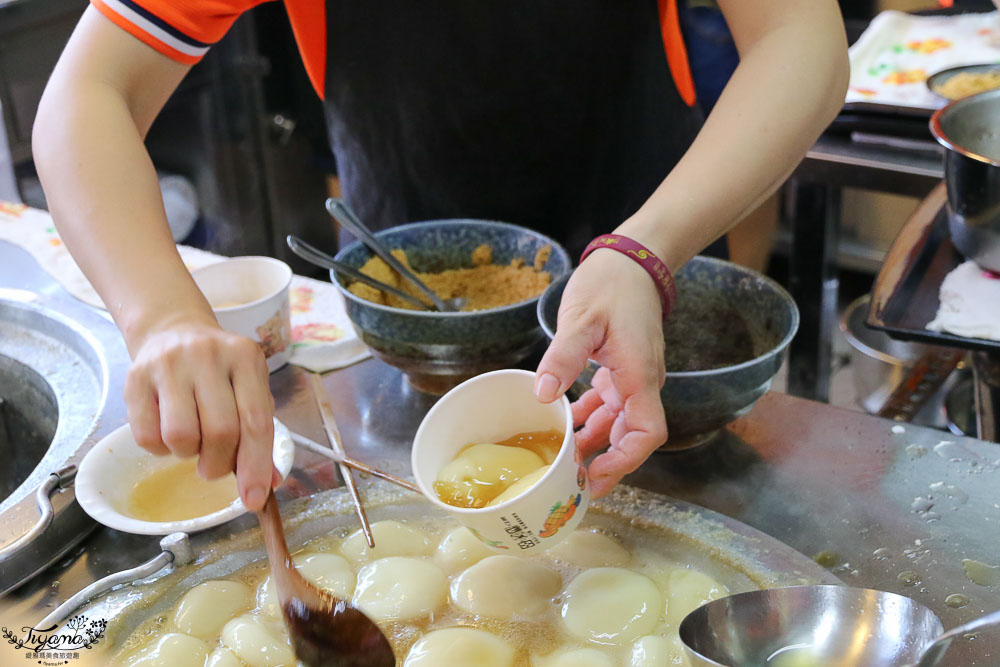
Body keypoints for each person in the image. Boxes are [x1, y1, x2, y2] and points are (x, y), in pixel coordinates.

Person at [32, 1, 848, 511]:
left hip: (637, 310)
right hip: (403, 335)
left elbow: (801, 38)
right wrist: (166, 318)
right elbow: (86, 96)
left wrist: (646, 248)